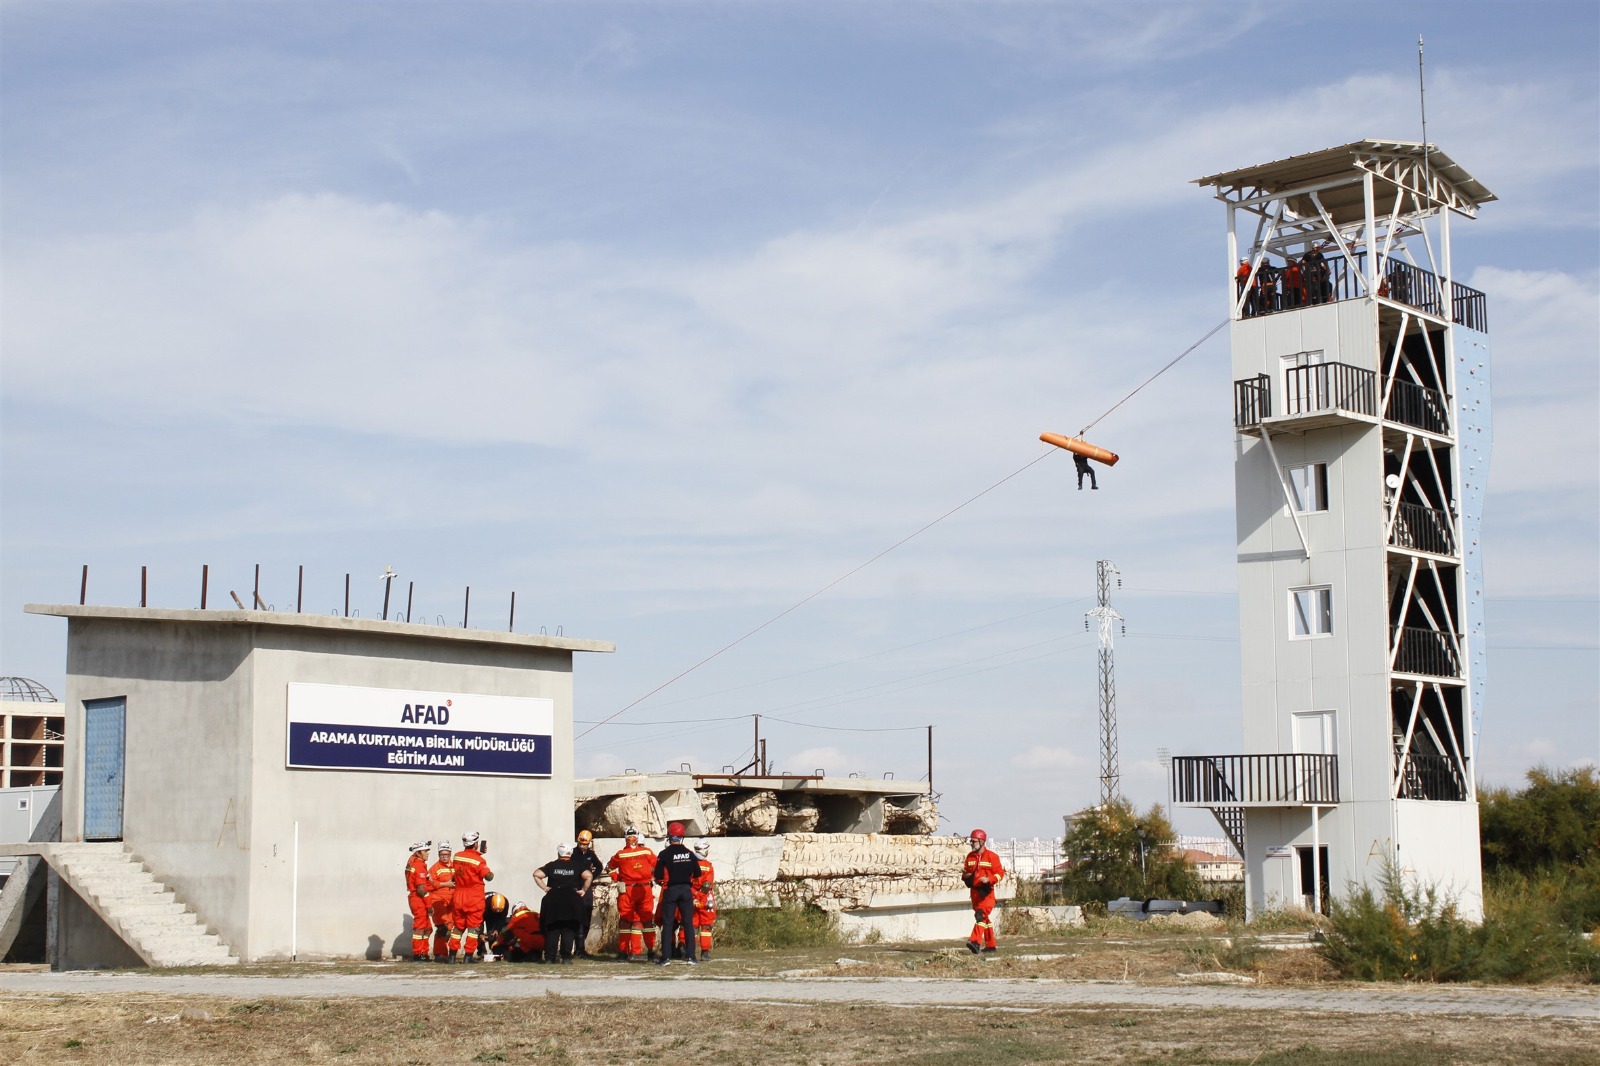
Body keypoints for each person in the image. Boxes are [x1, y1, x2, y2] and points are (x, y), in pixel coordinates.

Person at [605, 825, 657, 961]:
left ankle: (625, 952)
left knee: (626, 921)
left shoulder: (621, 854)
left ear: (625, 838)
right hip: (645, 889)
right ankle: (650, 951)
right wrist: (652, 877)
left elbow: (609, 867)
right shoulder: (647, 852)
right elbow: (658, 866)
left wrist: (617, 878)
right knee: (646, 920)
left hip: (627, 889)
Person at [535, 842, 593, 964]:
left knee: (552, 929)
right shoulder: (576, 865)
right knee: (569, 929)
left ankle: (550, 958)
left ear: (558, 853)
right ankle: (566, 957)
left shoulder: (552, 865)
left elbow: (536, 874)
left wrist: (545, 888)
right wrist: (583, 890)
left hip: (554, 899)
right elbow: (588, 876)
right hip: (571, 900)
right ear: (570, 853)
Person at [653, 822, 700, 967]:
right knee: (688, 923)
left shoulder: (664, 854)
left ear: (669, 835)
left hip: (671, 890)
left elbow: (658, 874)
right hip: (686, 890)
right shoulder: (689, 853)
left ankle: (665, 958)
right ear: (682, 837)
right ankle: (691, 957)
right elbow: (698, 873)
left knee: (667, 924)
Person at [449, 830, 494, 962]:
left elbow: (467, 862)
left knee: (457, 927)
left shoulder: (457, 856)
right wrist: (481, 858)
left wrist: (478, 854)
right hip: (473, 897)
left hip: (458, 896)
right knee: (473, 929)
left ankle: (452, 955)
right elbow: (489, 876)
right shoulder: (479, 861)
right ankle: (468, 956)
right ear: (475, 843)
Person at [961, 828, 1006, 954]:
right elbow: (966, 871)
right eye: (971, 841)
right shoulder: (970, 857)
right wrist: (966, 876)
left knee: (980, 915)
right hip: (975, 893)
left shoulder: (992, 856)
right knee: (984, 919)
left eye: (973, 841)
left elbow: (1000, 873)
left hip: (986, 893)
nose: (971, 843)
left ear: (981, 841)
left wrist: (989, 879)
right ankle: (991, 946)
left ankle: (975, 942)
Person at [572, 829, 605, 957]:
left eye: (584, 844)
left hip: (587, 889)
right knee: (577, 919)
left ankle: (581, 948)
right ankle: (578, 948)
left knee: (586, 918)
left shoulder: (590, 854)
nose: (582, 846)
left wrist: (591, 876)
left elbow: (599, 866)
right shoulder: (573, 853)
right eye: (580, 843)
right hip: (576, 888)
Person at [404, 840, 436, 961]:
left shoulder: (415, 862)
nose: (427, 853)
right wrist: (429, 906)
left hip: (416, 898)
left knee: (428, 928)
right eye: (425, 851)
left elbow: (428, 883)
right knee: (421, 927)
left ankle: (424, 952)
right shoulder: (418, 865)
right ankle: (418, 954)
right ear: (418, 853)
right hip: (418, 899)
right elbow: (422, 889)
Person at [427, 839, 456, 962]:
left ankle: (445, 953)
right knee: (442, 927)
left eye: (447, 854)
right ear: (439, 855)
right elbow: (429, 884)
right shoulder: (435, 868)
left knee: (450, 927)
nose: (444, 857)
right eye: (442, 855)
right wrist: (446, 884)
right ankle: (439, 954)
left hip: (452, 901)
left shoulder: (454, 865)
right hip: (438, 901)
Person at [691, 840, 717, 960]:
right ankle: (705, 953)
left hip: (691, 897)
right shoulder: (707, 866)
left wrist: (694, 895)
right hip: (705, 899)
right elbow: (707, 885)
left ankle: (690, 952)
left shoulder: (689, 863)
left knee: (693, 926)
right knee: (706, 926)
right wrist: (700, 895)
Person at [478, 892, 510, 960]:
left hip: (494, 914)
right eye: (495, 911)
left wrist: (497, 930)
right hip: (484, 913)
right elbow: (478, 921)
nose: (496, 912)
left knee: (493, 934)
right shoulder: (482, 904)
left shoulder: (505, 903)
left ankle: (496, 951)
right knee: (477, 932)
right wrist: (480, 934)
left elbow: (502, 919)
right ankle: (481, 951)